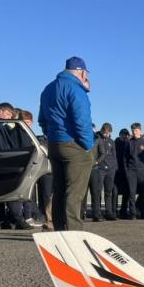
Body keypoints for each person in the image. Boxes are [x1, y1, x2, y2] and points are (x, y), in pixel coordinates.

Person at [38, 57, 94, 231]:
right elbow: (82, 121)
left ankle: (59, 230)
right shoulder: (76, 90)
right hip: (73, 145)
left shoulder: (48, 89)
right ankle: (74, 233)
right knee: (74, 192)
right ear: (81, 72)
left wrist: (53, 136)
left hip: (54, 145)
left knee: (59, 190)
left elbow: (42, 120)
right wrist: (88, 146)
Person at [89, 122, 117, 220]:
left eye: (108, 133)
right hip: (100, 169)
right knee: (97, 191)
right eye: (105, 132)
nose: (106, 134)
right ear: (101, 131)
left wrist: (114, 167)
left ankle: (108, 212)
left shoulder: (111, 141)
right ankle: (98, 212)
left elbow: (114, 156)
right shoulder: (97, 139)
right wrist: (97, 163)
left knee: (108, 192)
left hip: (110, 169)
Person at [125, 122, 144, 219]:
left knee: (143, 193)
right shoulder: (129, 142)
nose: (134, 132)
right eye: (133, 130)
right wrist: (127, 170)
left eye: (136, 130)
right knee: (132, 193)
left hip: (142, 171)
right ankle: (133, 214)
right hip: (131, 171)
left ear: (140, 131)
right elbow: (125, 158)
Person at [114, 129, 131, 218]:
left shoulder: (127, 143)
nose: (125, 137)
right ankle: (115, 210)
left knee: (126, 192)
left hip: (125, 171)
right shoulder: (115, 143)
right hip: (116, 171)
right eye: (124, 135)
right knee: (115, 191)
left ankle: (123, 210)